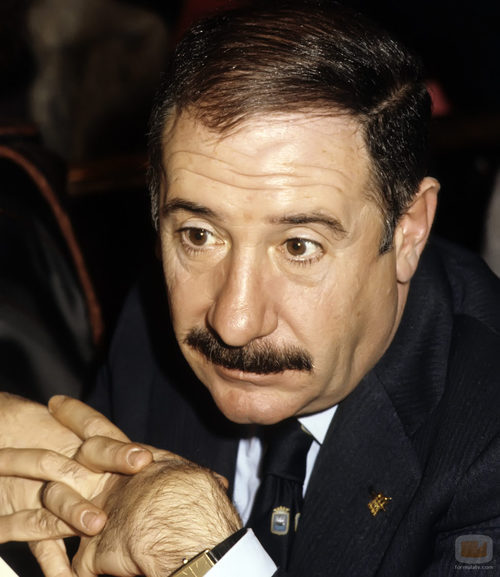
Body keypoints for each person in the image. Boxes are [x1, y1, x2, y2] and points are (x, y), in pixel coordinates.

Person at [1, 2, 499, 576]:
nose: (232, 322)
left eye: (299, 246)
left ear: (409, 230)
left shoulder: (485, 442)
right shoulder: (150, 322)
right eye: (199, 234)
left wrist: (203, 551)